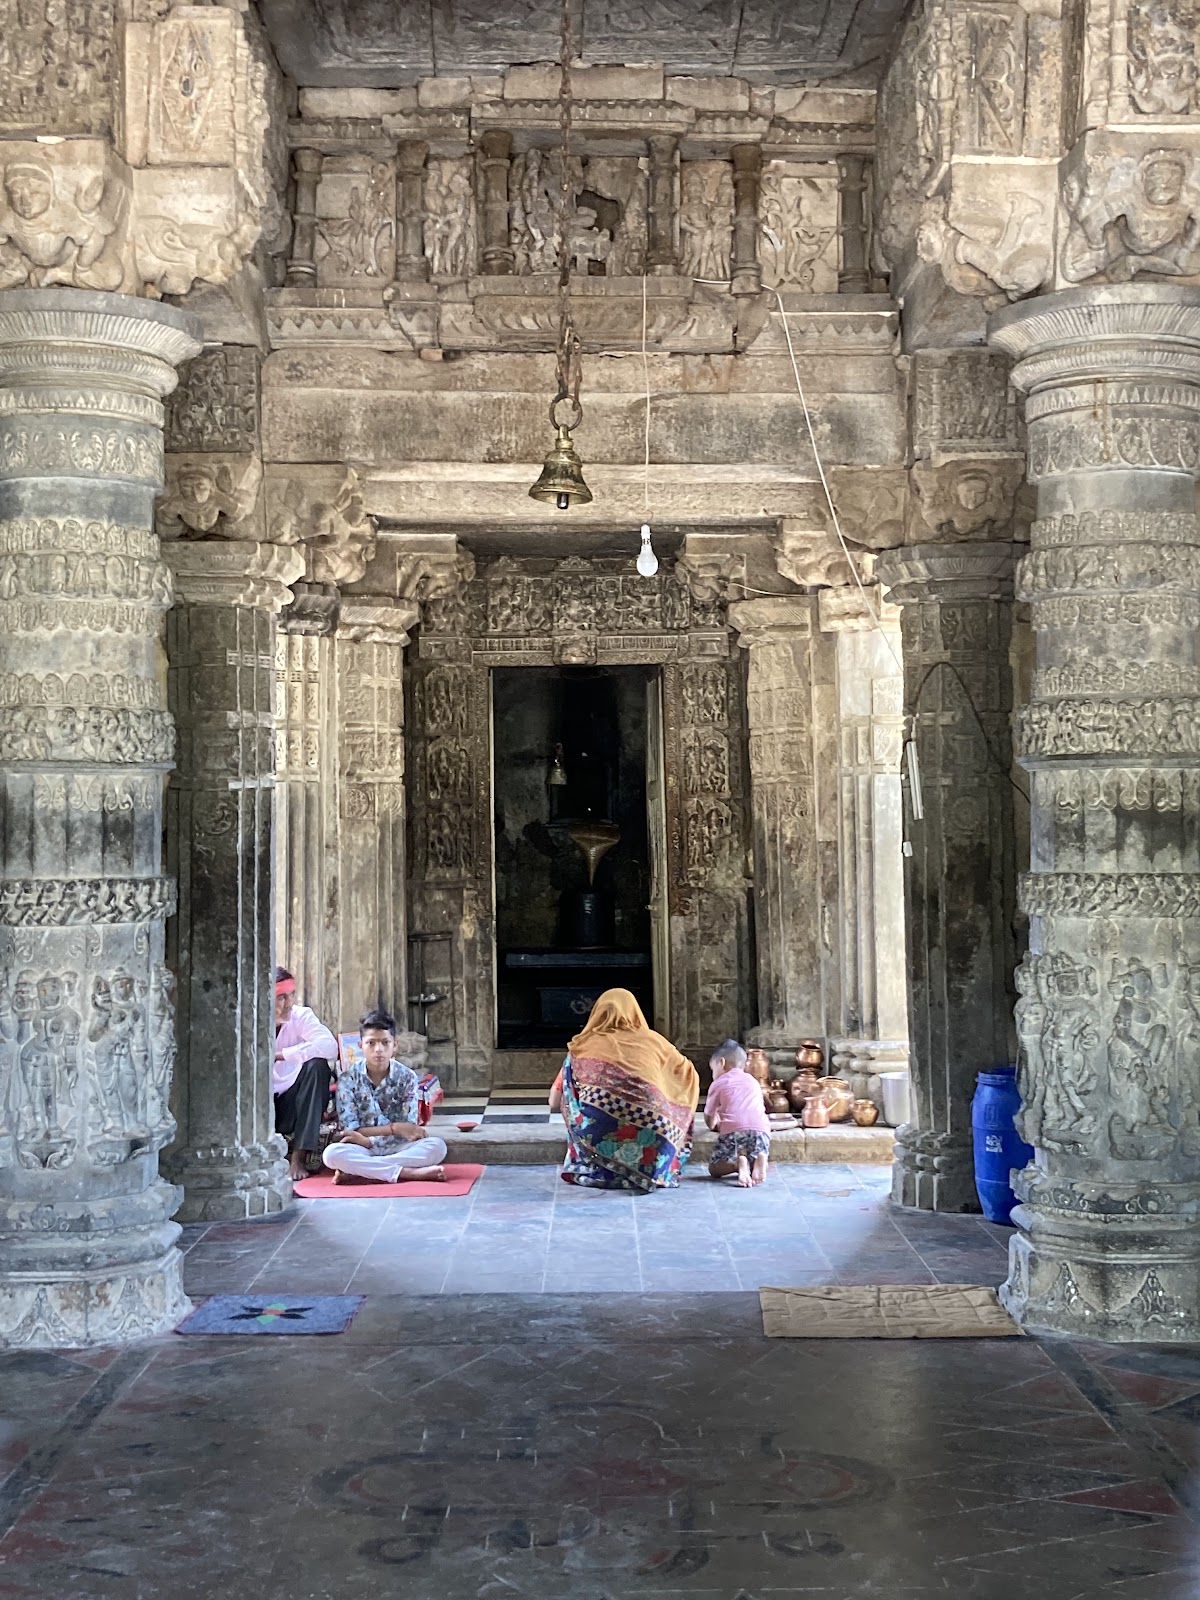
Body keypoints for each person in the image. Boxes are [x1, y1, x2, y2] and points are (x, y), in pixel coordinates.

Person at [559, 988, 699, 1192]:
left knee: (569, 1085)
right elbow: (688, 1072)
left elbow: (555, 1099)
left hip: (597, 1132)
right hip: (656, 1135)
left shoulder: (582, 1046)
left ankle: (595, 1165)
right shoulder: (655, 1041)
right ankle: (653, 1168)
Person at [322, 1009, 448, 1184]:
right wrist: (394, 1128)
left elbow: (409, 1128)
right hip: (362, 1147)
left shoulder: (407, 1077)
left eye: (385, 1043)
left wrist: (371, 1139)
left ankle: (361, 1171)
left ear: (394, 1045)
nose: (378, 1050)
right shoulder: (348, 1079)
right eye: (371, 1043)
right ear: (361, 1046)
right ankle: (408, 1173)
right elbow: (352, 1130)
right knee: (331, 1155)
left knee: (437, 1147)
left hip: (398, 1146)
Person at [273, 967, 338, 1184]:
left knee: (317, 1066)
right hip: (261, 1107)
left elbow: (329, 1047)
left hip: (293, 1105)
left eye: (291, 995)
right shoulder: (249, 1021)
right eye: (281, 997)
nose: (289, 1003)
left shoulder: (301, 1016)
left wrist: (282, 1055)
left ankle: (298, 1157)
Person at [705, 1039, 771, 1188]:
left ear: (721, 1063)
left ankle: (737, 1164)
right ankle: (760, 1159)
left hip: (734, 1131)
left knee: (714, 1168)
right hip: (761, 1130)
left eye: (712, 1069)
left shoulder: (718, 1083)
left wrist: (713, 1125)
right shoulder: (753, 1081)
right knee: (754, 1155)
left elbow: (709, 1115)